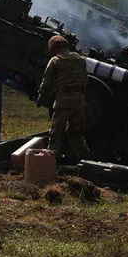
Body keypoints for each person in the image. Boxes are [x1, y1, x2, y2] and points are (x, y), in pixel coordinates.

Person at [38, 34, 92, 164]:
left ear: (54, 48)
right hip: (79, 101)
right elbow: (85, 80)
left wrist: (41, 98)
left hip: (64, 101)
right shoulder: (80, 59)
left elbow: (46, 82)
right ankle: (87, 162)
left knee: (56, 133)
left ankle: (49, 164)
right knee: (75, 133)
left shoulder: (56, 60)